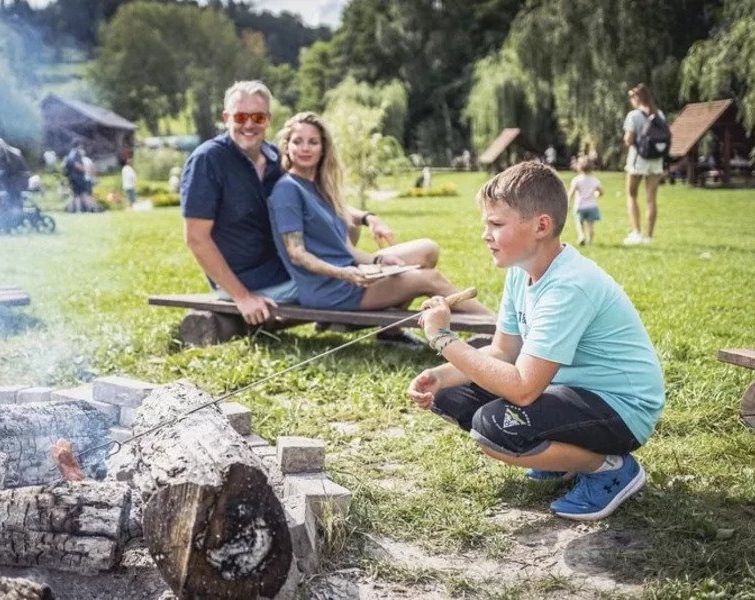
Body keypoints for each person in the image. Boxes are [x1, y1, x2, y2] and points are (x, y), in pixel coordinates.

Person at [408, 161, 665, 521]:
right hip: (567, 391)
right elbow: (502, 352)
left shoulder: (569, 286)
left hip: (621, 409)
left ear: (541, 226)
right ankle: (561, 459)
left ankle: (609, 468)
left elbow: (524, 389)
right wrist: (440, 376)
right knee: (451, 395)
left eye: (496, 224)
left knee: (493, 428)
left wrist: (443, 337)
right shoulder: (521, 272)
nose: (485, 234)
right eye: (486, 224)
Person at [181, 80, 439, 328]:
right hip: (253, 279)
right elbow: (196, 239)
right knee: (402, 277)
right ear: (226, 118)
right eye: (240, 117)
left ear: (268, 120)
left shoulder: (275, 158)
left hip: (287, 267)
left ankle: (379, 322)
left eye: (258, 117)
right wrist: (242, 297)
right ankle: (353, 312)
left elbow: (319, 206)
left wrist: (367, 217)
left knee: (418, 251)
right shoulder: (208, 161)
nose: (249, 124)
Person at [267, 112, 490, 328]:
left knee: (427, 250)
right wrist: (346, 273)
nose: (305, 148)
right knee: (429, 279)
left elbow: (346, 250)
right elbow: (296, 254)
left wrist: (377, 262)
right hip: (329, 288)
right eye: (298, 141)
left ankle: (390, 331)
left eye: (313, 142)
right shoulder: (288, 190)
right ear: (287, 147)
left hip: (353, 272)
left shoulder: (320, 188)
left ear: (323, 147)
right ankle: (498, 326)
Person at [622, 83, 666, 245]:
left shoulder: (633, 116)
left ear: (637, 98)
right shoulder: (659, 113)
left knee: (632, 194)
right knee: (651, 199)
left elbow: (629, 139)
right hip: (656, 160)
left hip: (638, 159)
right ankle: (649, 236)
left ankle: (636, 233)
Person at [567, 156, 603, 246]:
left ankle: (581, 235)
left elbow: (571, 193)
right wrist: (597, 194)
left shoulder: (577, 180)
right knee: (590, 225)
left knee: (579, 223)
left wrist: (568, 203)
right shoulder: (595, 180)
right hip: (592, 206)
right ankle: (590, 242)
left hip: (580, 206)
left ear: (578, 167)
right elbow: (601, 192)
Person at [63, 141, 102, 213]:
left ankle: (78, 209)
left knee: (76, 195)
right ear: (78, 145)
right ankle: (92, 209)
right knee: (84, 194)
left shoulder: (70, 154)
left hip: (72, 178)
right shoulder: (76, 154)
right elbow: (77, 165)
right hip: (78, 178)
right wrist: (85, 170)